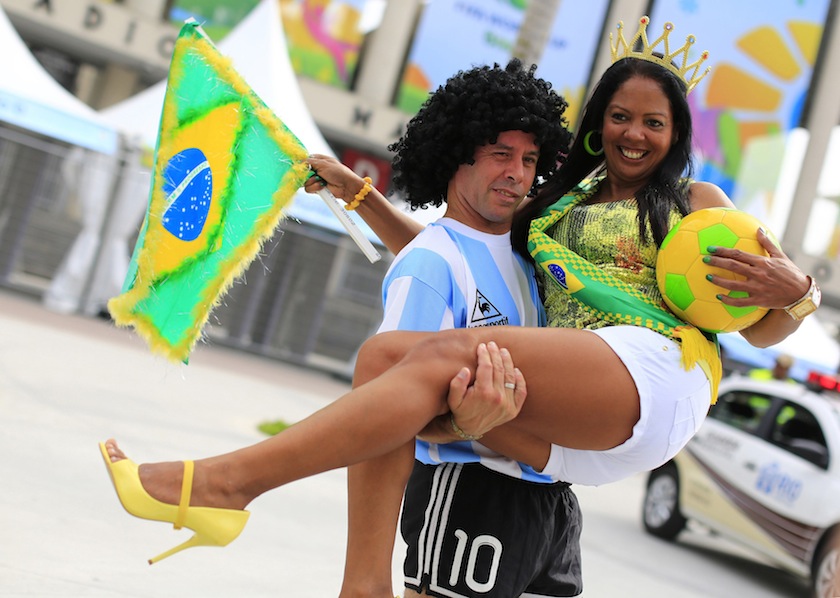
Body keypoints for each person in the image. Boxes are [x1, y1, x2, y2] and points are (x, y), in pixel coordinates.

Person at [99, 15, 816, 590]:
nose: (636, 134)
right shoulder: (560, 203)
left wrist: (802, 293)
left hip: (657, 370)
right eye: (622, 117)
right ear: (598, 123)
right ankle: (362, 585)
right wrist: (364, 197)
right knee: (385, 359)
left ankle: (229, 483)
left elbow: (763, 328)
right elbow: (463, 246)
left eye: (654, 123)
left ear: (675, 134)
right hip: (573, 427)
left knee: (429, 358)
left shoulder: (698, 204)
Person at [308, 59, 582, 598]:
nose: (518, 173)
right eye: (500, 154)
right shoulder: (429, 265)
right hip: (467, 494)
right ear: (456, 154)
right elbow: (383, 415)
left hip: (549, 504)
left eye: (529, 159)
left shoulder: (528, 251)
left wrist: (363, 198)